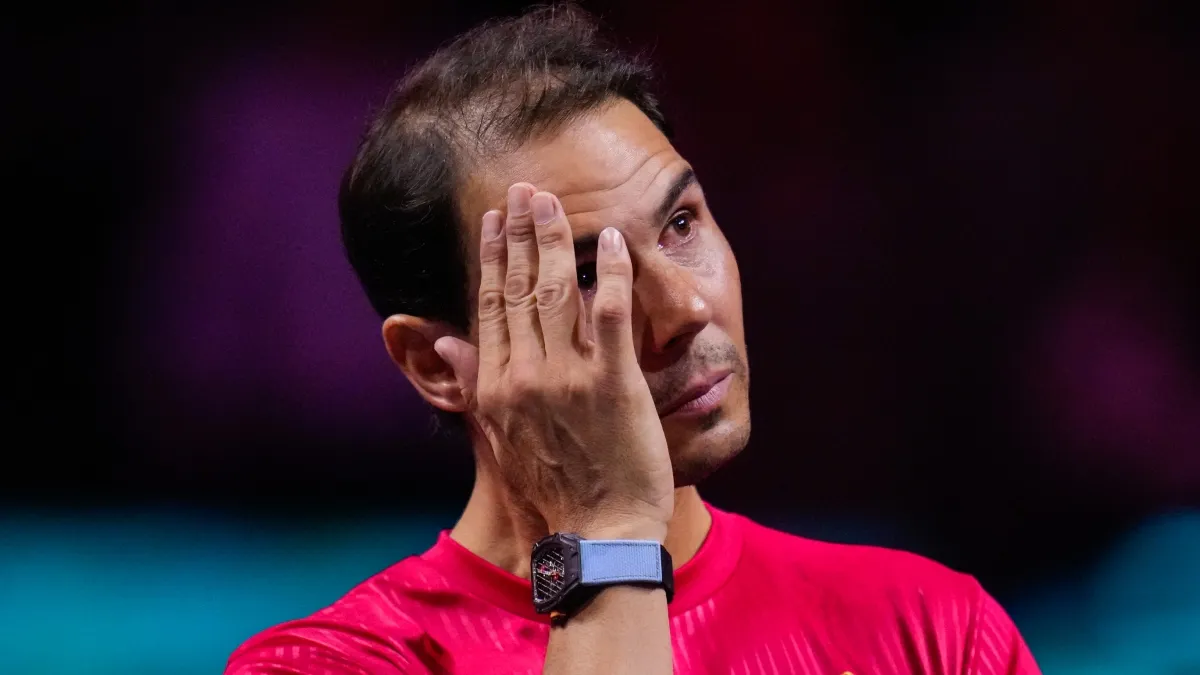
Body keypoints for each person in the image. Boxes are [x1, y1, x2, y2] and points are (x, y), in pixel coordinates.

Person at [226, 5, 1040, 674]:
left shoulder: (933, 631)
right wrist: (608, 533)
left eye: (681, 223)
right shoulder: (329, 663)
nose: (684, 306)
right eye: (584, 274)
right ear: (435, 364)